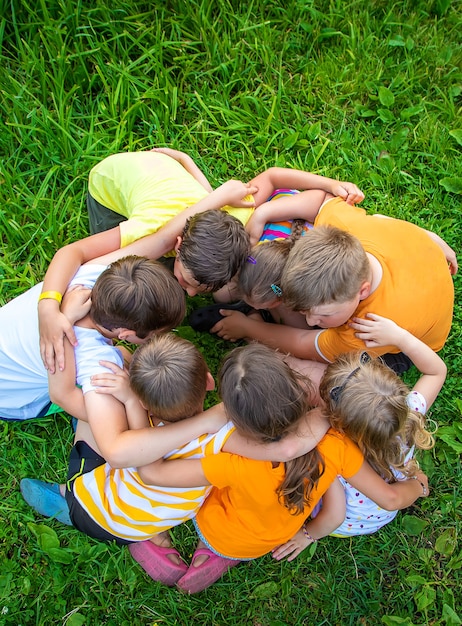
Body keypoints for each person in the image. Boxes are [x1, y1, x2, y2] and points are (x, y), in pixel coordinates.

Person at [136, 343, 429, 594]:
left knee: (186, 488)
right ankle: (216, 557)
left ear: (233, 416)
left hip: (220, 528)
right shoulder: (338, 446)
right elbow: (337, 513)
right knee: (238, 533)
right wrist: (309, 535)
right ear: (297, 388)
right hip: (267, 540)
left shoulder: (228, 459)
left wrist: (136, 417)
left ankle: (152, 535)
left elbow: (153, 474)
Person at [38, 148, 364, 372]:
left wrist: (186, 163)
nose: (190, 294)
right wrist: (48, 307)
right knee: (126, 273)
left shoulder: (237, 216)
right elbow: (74, 254)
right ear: (177, 245)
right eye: (188, 282)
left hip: (172, 186)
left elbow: (251, 185)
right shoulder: (148, 233)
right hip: (108, 187)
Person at [211, 192, 455, 370]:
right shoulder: (347, 227)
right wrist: (264, 213)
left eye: (322, 316)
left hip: (414, 333)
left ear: (362, 291)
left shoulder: (366, 329)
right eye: (307, 311)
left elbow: (304, 343)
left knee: (337, 372)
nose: (311, 321)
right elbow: (320, 202)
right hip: (414, 251)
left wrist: (248, 328)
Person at [272, 314, 445, 561]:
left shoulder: (335, 449)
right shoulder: (409, 411)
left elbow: (345, 512)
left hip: (350, 519)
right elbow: (437, 372)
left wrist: (307, 535)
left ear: (339, 424)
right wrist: (399, 337)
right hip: (388, 490)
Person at [0, 254, 185, 422]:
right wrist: (131, 403)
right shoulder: (98, 362)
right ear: (126, 334)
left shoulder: (90, 275)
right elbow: (70, 400)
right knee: (117, 393)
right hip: (11, 401)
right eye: (156, 335)